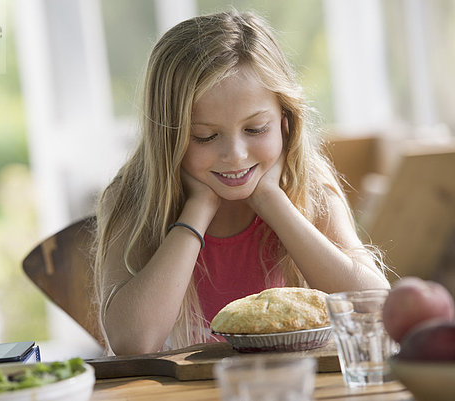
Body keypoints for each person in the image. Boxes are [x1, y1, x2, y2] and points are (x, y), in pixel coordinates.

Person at [92, 10, 390, 356]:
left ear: (285, 122)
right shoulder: (134, 198)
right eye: (204, 136)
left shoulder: (310, 188)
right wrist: (198, 210)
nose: (235, 155)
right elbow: (134, 343)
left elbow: (375, 307)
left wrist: (273, 202)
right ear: (167, 139)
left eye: (255, 130)